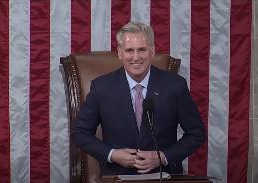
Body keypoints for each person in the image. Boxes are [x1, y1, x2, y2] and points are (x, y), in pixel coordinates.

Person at [72, 21, 205, 175]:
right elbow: (80, 132)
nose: (136, 57)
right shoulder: (101, 87)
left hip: (163, 175)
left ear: (152, 51)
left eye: (142, 50)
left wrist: (164, 157)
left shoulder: (175, 86)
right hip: (117, 175)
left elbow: (196, 133)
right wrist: (112, 154)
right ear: (120, 53)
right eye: (129, 50)